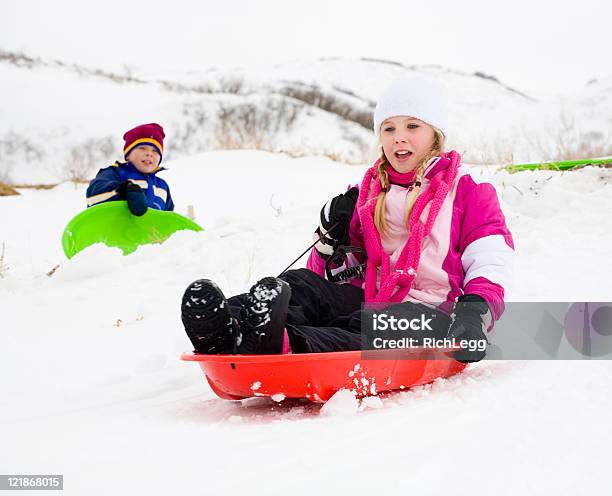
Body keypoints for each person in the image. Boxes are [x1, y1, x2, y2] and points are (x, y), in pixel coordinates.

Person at [180, 75, 515, 362]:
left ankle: (282, 343)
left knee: (365, 329)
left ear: (435, 135)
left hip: (434, 314)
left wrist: (475, 311)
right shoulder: (365, 193)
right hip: (369, 298)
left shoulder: (468, 190)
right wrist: (330, 236)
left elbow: (490, 257)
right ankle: (227, 327)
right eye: (389, 128)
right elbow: (325, 272)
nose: (399, 136)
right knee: (302, 286)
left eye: (413, 126)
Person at [86, 123, 174, 215]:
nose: (149, 154)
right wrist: (123, 190)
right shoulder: (116, 173)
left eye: (155, 151)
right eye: (142, 148)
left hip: (150, 229)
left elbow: (168, 219)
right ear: (128, 154)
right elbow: (93, 197)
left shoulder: (162, 187)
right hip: (114, 228)